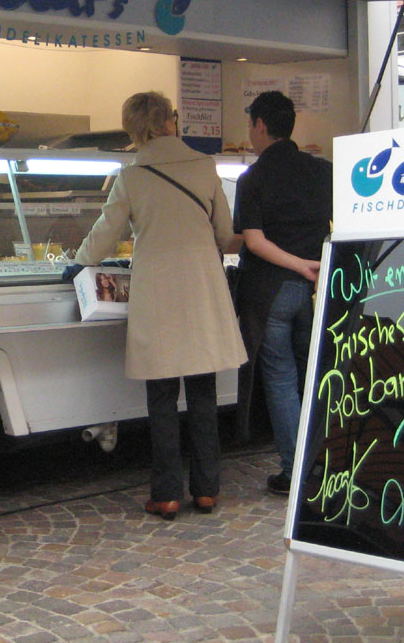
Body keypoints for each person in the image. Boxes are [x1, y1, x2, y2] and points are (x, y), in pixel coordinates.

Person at [70, 91, 246, 520]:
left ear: (133, 128)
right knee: (204, 395)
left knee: (163, 398)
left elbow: (105, 233)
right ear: (170, 121)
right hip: (204, 291)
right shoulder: (205, 167)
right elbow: (226, 235)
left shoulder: (131, 176)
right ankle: (207, 490)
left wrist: (77, 263)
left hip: (159, 296)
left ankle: (166, 494)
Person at [232, 90, 332, 497]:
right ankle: (325, 466)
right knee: (315, 377)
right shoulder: (323, 171)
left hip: (272, 292)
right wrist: (314, 266)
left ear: (259, 125)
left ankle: (295, 472)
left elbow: (253, 242)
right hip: (317, 288)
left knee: (280, 379)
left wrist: (295, 265)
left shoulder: (252, 179)